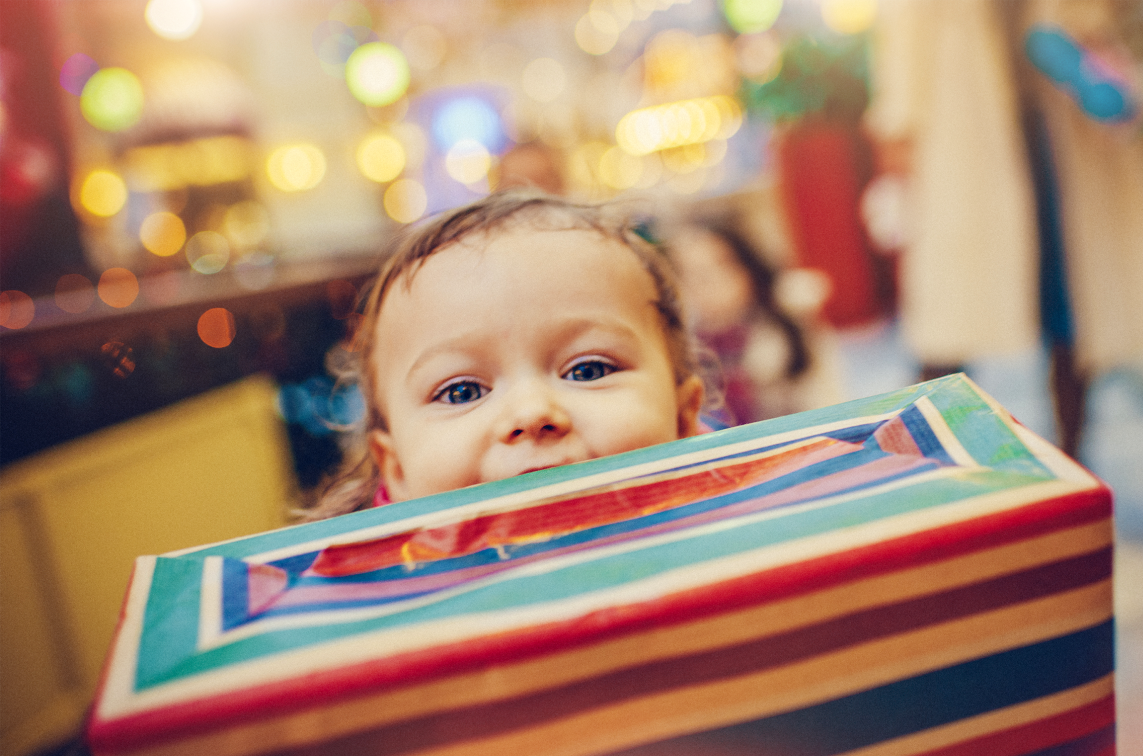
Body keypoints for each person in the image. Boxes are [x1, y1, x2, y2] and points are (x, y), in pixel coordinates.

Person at [303, 190, 705, 519]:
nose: (531, 414)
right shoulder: (378, 604)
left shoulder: (750, 538)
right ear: (397, 471)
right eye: (461, 392)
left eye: (588, 370)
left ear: (684, 417)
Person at [665, 218, 840, 426]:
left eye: (717, 267)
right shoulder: (683, 348)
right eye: (688, 273)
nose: (703, 284)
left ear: (747, 267)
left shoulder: (784, 327)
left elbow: (825, 402)